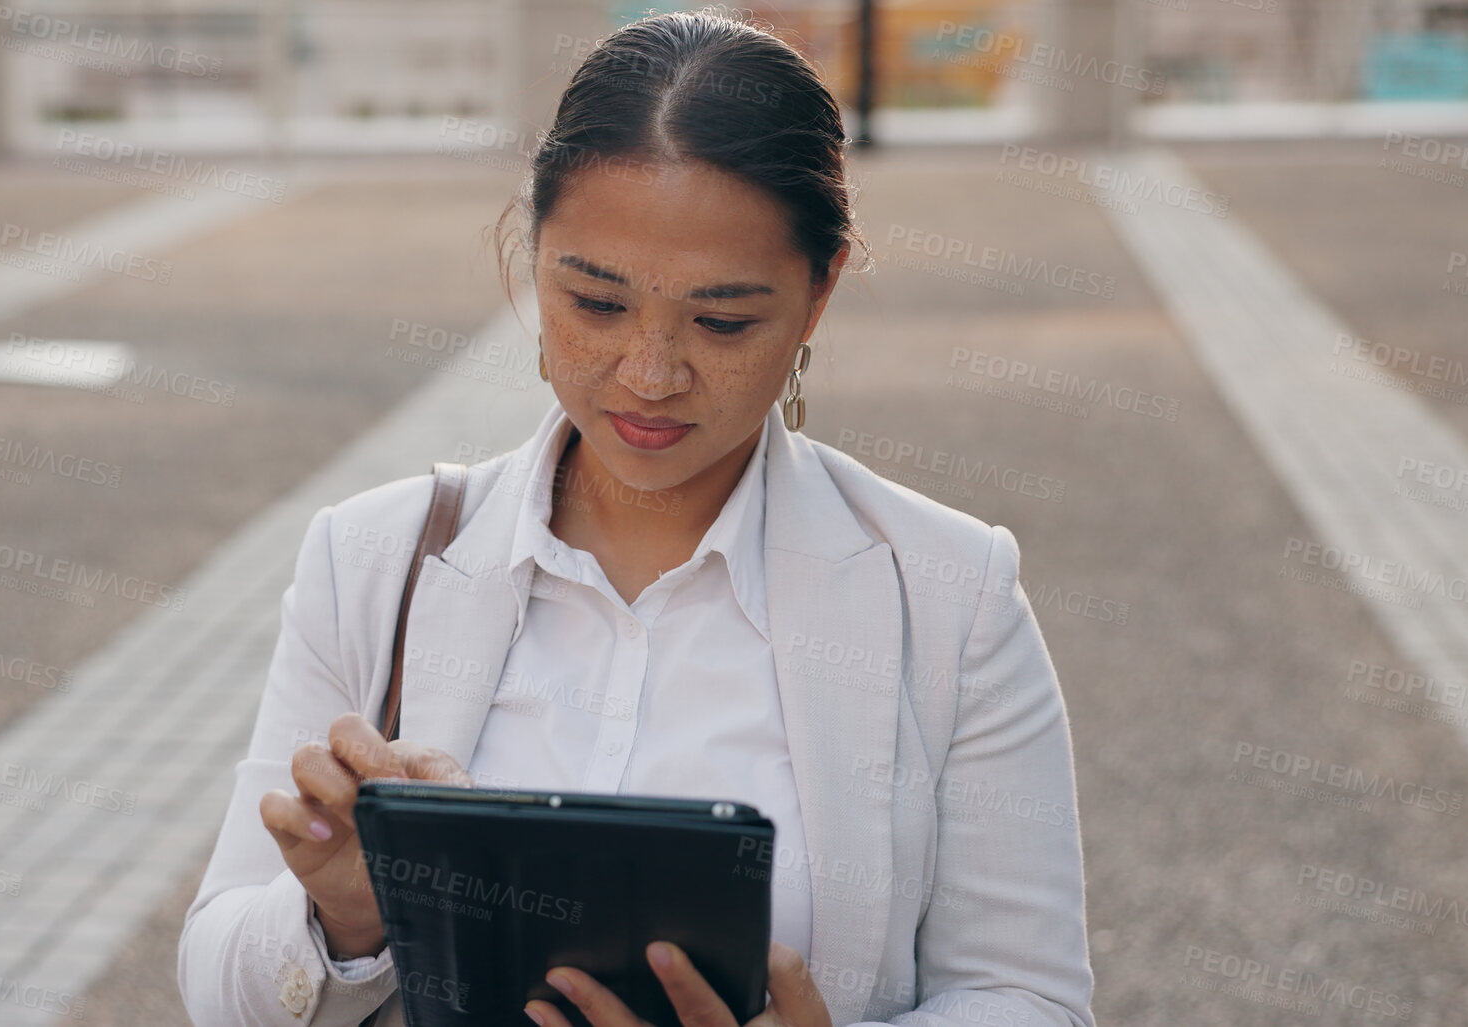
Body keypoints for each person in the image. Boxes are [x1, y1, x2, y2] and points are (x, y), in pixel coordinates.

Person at [178, 9, 1095, 1027]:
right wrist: (342, 912)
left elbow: (1030, 995)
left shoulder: (950, 596)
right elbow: (217, 978)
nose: (650, 374)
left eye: (723, 320)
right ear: (534, 261)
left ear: (819, 293)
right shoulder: (374, 557)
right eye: (597, 304)